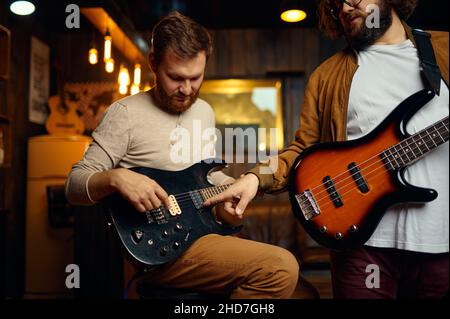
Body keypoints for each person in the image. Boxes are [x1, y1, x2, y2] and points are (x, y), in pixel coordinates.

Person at [205, 0, 449, 299]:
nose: (346, 8)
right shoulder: (327, 76)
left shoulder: (443, 48)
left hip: (442, 243)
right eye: (337, 5)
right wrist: (255, 178)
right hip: (362, 246)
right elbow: (301, 149)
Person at [65, 11, 299, 299]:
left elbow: (207, 178)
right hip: (156, 246)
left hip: (198, 236)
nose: (186, 90)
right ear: (153, 63)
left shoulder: (204, 111)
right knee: (281, 268)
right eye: (175, 77)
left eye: (195, 78)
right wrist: (116, 178)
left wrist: (226, 206)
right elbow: (74, 185)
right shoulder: (124, 114)